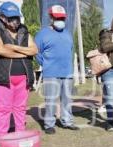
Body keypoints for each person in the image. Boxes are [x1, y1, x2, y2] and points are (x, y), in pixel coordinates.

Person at [0, 1, 37, 138]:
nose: (15, 21)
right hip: (3, 78)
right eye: (11, 18)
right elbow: (0, 50)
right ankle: (2, 138)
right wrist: (24, 53)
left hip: (23, 77)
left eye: (17, 17)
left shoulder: (23, 30)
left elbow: (34, 49)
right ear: (2, 17)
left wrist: (15, 47)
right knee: (4, 109)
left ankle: (20, 135)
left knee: (20, 109)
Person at [35, 5, 79, 134]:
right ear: (51, 17)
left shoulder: (67, 34)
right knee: (51, 100)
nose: (60, 20)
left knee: (67, 99)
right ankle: (49, 124)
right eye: (57, 17)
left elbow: (71, 51)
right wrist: (45, 64)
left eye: (62, 18)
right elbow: (36, 52)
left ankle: (67, 122)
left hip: (67, 73)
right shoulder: (42, 34)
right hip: (51, 73)